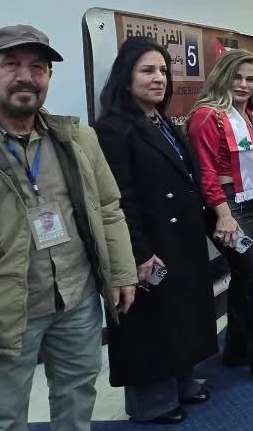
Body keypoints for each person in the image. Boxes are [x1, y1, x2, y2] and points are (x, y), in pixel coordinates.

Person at [0, 24, 137, 431]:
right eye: (11, 65)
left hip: (76, 299)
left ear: (49, 76)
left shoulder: (75, 137)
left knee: (77, 394)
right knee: (6, 413)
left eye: (37, 68)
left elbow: (108, 207)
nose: (26, 77)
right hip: (10, 308)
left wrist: (121, 272)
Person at [93, 37, 218, 424]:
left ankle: (182, 382)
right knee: (149, 325)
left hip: (180, 240)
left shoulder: (162, 121)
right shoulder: (112, 129)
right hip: (146, 243)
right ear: (125, 77)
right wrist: (139, 253)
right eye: (147, 70)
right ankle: (152, 403)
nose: (159, 78)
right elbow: (118, 200)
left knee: (178, 316)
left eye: (163, 70)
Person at [186, 49, 253, 383]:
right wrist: (223, 214)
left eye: (250, 79)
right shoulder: (207, 116)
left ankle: (237, 349)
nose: (244, 85)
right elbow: (204, 172)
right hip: (229, 207)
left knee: (248, 279)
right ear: (222, 77)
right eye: (237, 78)